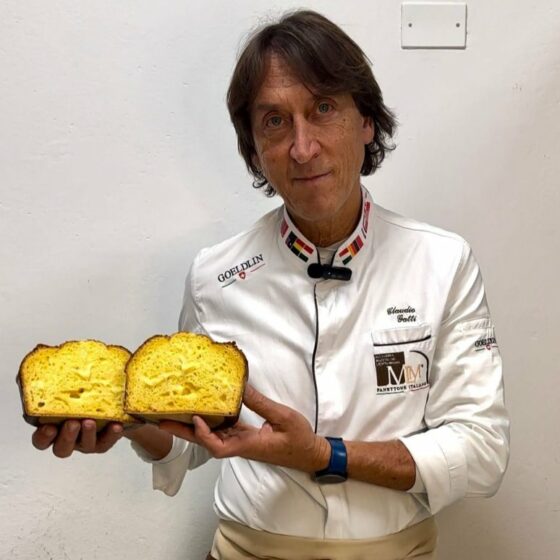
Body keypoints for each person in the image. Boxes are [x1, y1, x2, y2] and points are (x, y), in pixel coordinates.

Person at [32, 10, 510, 560]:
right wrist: (130, 425)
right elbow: (191, 442)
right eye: (276, 122)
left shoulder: (444, 263)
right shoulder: (215, 275)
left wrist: (325, 454)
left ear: (365, 121)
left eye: (323, 108)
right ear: (255, 149)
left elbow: (482, 452)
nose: (303, 148)